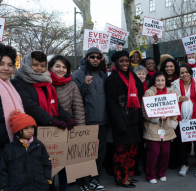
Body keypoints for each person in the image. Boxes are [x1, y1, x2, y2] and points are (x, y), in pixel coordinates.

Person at [105, 50, 144, 188]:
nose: (125, 63)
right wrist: (120, 124)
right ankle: (121, 177)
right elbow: (111, 104)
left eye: (126, 61)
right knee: (121, 151)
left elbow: (140, 93)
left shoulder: (132, 75)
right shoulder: (111, 79)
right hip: (121, 121)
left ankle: (127, 174)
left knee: (132, 149)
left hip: (134, 119)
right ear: (116, 63)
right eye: (121, 61)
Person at [48, 55, 86, 191]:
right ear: (50, 67)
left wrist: (80, 131)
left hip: (67, 129)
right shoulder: (43, 83)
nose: (61, 69)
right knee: (48, 164)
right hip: (47, 130)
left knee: (63, 164)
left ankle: (63, 188)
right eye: (57, 66)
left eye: (64, 67)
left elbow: (78, 108)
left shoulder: (72, 84)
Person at [72, 47, 107, 191]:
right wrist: (84, 84)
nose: (95, 59)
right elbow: (74, 97)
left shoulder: (103, 75)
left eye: (98, 57)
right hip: (85, 121)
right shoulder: (78, 74)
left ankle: (94, 179)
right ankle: (83, 182)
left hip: (103, 121)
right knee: (84, 154)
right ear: (87, 58)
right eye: (92, 57)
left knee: (99, 154)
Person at [11, 51, 75, 128]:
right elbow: (29, 106)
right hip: (30, 129)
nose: (39, 68)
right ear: (27, 65)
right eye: (35, 65)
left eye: (42, 65)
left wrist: (68, 117)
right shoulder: (18, 82)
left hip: (49, 130)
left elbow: (57, 107)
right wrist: (50, 121)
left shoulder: (47, 83)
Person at [171, 64, 196, 180]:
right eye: (182, 73)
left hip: (195, 119)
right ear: (179, 74)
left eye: (186, 72)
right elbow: (171, 99)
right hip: (180, 119)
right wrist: (178, 98)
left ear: (190, 73)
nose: (184, 74)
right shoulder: (174, 84)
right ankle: (184, 164)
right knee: (181, 144)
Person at [0, 109, 52, 191]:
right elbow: (3, 171)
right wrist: (4, 188)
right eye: (26, 128)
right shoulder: (8, 149)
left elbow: (47, 163)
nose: (30, 131)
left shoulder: (39, 145)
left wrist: (47, 180)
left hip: (39, 187)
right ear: (18, 130)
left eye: (32, 127)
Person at [142, 72, 178, 184]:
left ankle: (161, 172)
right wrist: (157, 117)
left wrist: (173, 120)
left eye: (162, 80)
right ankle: (150, 174)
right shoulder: (148, 93)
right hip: (153, 128)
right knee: (154, 152)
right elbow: (144, 112)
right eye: (158, 80)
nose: (160, 82)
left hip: (166, 127)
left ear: (165, 81)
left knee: (166, 152)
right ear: (154, 81)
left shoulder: (170, 92)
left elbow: (174, 110)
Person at [0, 44, 25, 156]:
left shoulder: (10, 86)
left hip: (8, 149)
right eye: (1, 64)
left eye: (10, 65)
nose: (6, 68)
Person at [132, 64, 148, 175]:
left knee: (143, 143)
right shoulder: (132, 86)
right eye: (139, 74)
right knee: (136, 143)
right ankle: (135, 166)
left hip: (147, 119)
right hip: (136, 118)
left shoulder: (149, 86)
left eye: (143, 74)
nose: (141, 76)